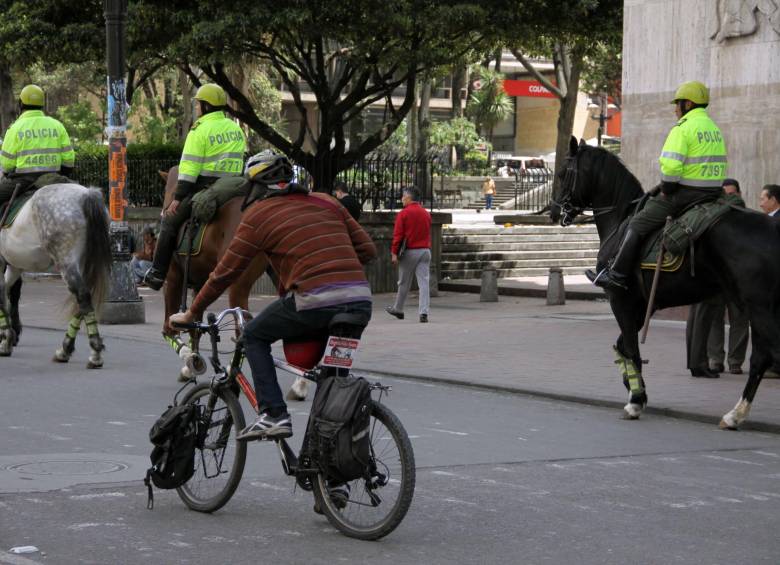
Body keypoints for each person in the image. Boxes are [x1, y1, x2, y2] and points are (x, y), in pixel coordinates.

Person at [169, 151, 376, 440]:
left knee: (253, 336)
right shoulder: (327, 201)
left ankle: (274, 414)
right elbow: (368, 250)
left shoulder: (258, 215)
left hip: (313, 299)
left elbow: (225, 272)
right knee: (331, 384)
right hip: (359, 301)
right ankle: (327, 457)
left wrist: (193, 312)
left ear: (255, 187)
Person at [587, 80, 727, 291]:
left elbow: (671, 168)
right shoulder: (713, 129)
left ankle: (617, 275)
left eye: (677, 104)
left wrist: (667, 189)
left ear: (688, 104)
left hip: (687, 194)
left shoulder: (683, 129)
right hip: (714, 193)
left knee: (637, 222)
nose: (675, 109)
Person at [143, 83, 245, 290]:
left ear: (206, 106)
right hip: (235, 186)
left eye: (199, 104)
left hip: (205, 186)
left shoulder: (199, 130)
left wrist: (178, 198)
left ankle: (157, 273)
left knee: (169, 222)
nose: (197, 107)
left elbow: (189, 168)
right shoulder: (235, 128)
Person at [684, 178, 749, 378]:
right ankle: (715, 359)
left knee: (739, 319)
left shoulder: (746, 218)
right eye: (724, 194)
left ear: (739, 195)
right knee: (714, 320)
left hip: (738, 278)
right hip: (716, 278)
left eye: (731, 194)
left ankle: (735, 361)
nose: (727, 198)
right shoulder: (711, 218)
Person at [0, 84, 75, 211]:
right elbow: (69, 161)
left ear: (21, 104)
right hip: (54, 178)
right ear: (42, 104)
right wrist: (60, 173)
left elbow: (6, 165)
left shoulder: (15, 128)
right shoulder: (57, 125)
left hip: (22, 182)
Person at [386, 186, 432, 323]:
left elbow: (398, 235)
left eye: (403, 196)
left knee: (403, 282)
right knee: (424, 283)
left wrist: (394, 253)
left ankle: (398, 308)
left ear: (408, 197)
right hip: (425, 251)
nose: (401, 199)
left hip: (410, 251)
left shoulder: (404, 213)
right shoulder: (426, 213)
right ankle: (423, 313)